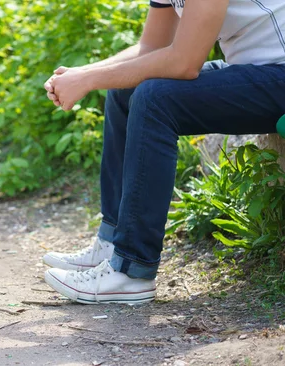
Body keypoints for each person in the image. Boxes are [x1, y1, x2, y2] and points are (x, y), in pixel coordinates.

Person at [42, 0, 285, 304]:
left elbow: (184, 63)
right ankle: (112, 242)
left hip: (279, 76)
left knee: (155, 98)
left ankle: (132, 272)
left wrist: (88, 80)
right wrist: (84, 73)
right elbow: (152, 47)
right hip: (258, 72)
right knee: (125, 89)